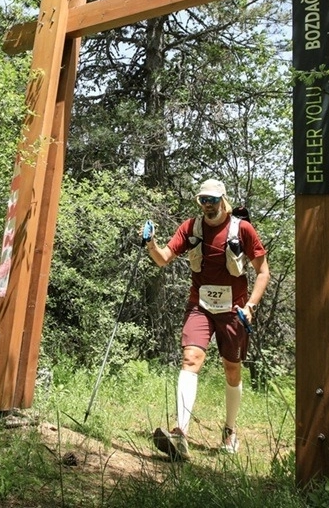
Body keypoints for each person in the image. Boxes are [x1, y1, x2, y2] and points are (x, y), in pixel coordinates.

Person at [144, 178, 271, 459]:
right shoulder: (191, 228)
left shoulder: (243, 229)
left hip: (234, 310)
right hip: (199, 305)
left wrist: (251, 306)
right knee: (190, 359)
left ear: (223, 200)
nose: (207, 205)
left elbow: (263, 272)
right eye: (203, 200)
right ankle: (180, 433)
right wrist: (151, 243)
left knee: (232, 369)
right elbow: (163, 258)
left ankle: (229, 431)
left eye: (212, 200)